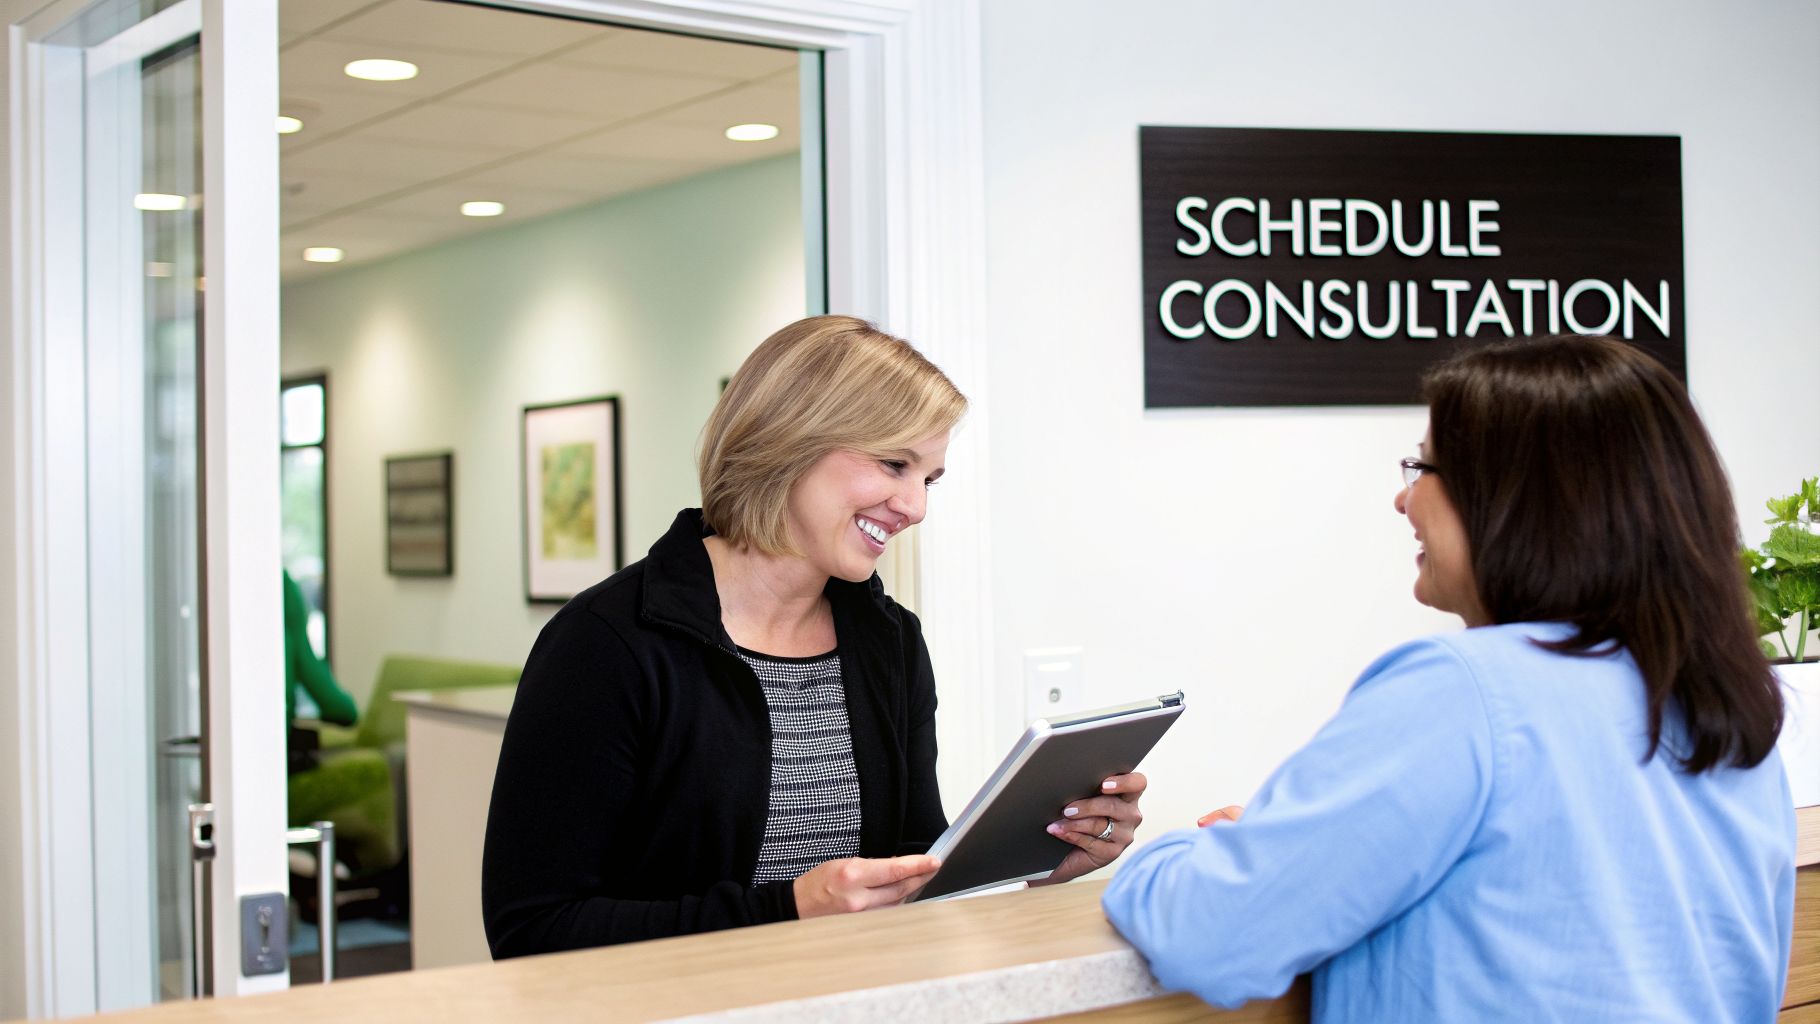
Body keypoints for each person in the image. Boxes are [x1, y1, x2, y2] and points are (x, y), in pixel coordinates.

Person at [1102, 335, 1793, 1021]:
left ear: (1522, 497)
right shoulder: (1727, 699)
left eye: (1422, 468)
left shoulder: (1466, 690)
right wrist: (1305, 845)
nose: (1403, 502)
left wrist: (1191, 851)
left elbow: (1214, 932)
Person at [483, 315, 1147, 957]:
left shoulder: (889, 645)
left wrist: (1039, 858)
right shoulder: (606, 644)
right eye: (894, 464)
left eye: (929, 479)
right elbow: (533, 929)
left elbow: (911, 871)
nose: (916, 506)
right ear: (790, 440)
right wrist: (787, 910)